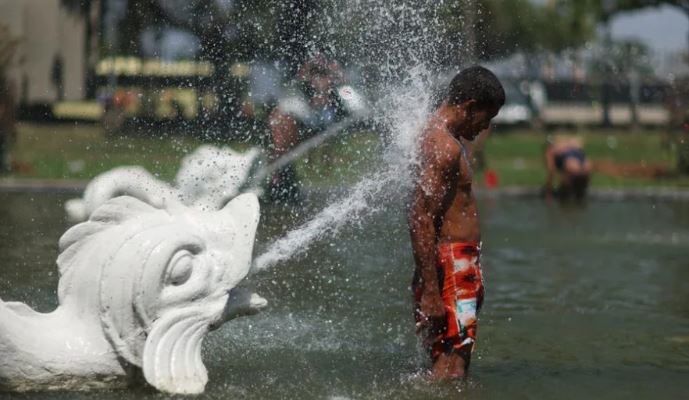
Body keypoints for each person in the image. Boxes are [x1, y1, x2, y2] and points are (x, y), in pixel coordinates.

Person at [408, 66, 505, 379]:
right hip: (452, 264)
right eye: (485, 118)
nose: (485, 127)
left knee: (444, 361)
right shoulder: (443, 146)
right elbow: (420, 217)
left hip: (451, 266)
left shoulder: (438, 136)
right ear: (470, 107)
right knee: (453, 367)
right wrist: (433, 293)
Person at [267, 54, 346, 201]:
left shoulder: (333, 88)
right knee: (280, 134)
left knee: (284, 141)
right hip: (305, 119)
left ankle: (282, 179)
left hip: (317, 120)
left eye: (321, 73)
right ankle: (280, 179)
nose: (318, 78)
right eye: (315, 73)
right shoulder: (300, 88)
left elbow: (342, 85)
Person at [543, 135, 592, 202]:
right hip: (585, 164)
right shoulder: (570, 143)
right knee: (580, 194)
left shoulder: (551, 150)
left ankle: (566, 205)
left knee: (565, 195)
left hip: (571, 164)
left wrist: (548, 191)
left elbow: (551, 170)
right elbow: (580, 142)